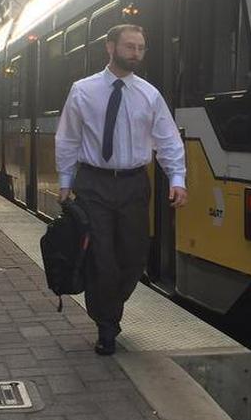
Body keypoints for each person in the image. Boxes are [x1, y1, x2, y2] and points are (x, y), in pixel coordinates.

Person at [56, 24, 187, 356]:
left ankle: (108, 307)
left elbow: (168, 140)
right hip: (93, 182)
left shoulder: (149, 94)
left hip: (133, 182)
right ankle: (107, 325)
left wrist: (177, 179)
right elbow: (68, 138)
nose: (136, 53)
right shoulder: (82, 91)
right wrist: (65, 182)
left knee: (132, 256)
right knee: (102, 258)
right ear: (110, 47)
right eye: (130, 46)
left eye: (141, 47)